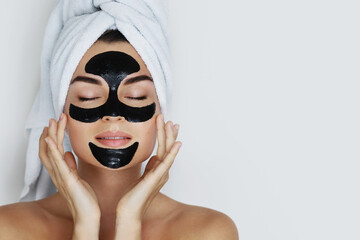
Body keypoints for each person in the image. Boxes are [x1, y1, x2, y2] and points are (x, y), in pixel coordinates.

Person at [0, 1, 238, 240]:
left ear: (160, 110)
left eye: (136, 96)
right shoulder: (8, 229)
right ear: (60, 111)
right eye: (88, 97)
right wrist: (85, 223)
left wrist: (129, 220)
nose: (113, 115)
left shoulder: (207, 233)